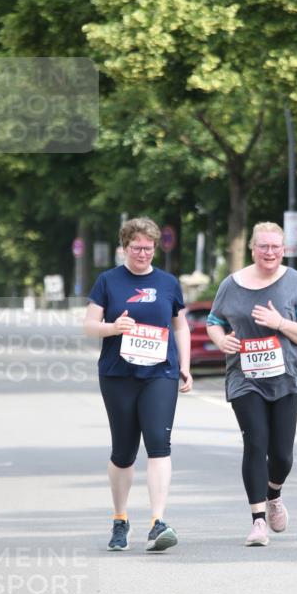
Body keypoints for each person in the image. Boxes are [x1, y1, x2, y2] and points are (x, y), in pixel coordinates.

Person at [206, 221, 297, 547]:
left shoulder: (296, 282)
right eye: (263, 246)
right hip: (245, 377)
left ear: (283, 250)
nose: (269, 252)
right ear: (252, 249)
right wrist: (221, 340)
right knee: (256, 443)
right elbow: (214, 321)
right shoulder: (232, 284)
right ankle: (258, 522)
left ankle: (274, 494)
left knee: (282, 456)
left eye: (275, 247)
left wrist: (280, 322)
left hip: (286, 377)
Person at [83, 217, 192, 552]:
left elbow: (180, 326)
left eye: (148, 248)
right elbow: (89, 325)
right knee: (124, 451)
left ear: (155, 248)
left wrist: (185, 366)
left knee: (159, 444)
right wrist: (113, 328)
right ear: (124, 247)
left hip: (160, 373)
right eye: (136, 248)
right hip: (118, 374)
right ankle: (120, 519)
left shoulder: (168, 283)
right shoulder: (108, 281)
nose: (142, 254)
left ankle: (158, 522)